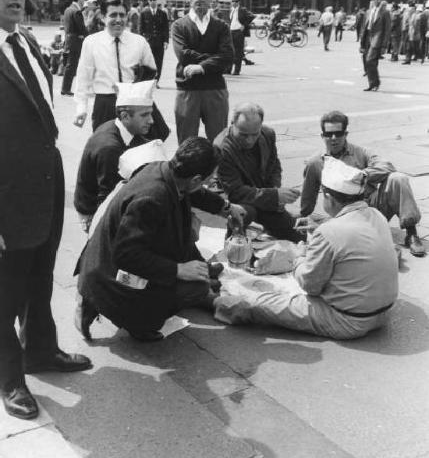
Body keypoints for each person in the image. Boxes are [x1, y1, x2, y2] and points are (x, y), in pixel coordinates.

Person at [0, 0, 91, 421]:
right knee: (6, 289)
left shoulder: (27, 43)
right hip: (6, 193)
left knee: (40, 274)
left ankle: (39, 348)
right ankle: (10, 377)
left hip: (46, 178)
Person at [75, 137, 246, 342]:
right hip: (112, 276)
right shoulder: (151, 198)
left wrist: (226, 208)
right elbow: (126, 255)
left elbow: (197, 193)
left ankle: (185, 281)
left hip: (119, 258)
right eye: (209, 180)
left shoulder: (166, 170)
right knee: (196, 288)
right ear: (195, 179)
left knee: (192, 258)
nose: (209, 185)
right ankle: (134, 320)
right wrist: (178, 270)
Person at [215, 156, 399, 341]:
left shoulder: (330, 232)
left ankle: (212, 301)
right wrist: (322, 227)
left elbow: (310, 285)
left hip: (348, 320)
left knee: (259, 301)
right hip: (383, 314)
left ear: (329, 197)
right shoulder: (376, 215)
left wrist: (298, 258)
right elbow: (351, 232)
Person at [298, 111, 425, 257]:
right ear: (322, 136)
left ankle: (411, 233)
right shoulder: (316, 162)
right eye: (328, 134)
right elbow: (308, 194)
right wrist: (303, 218)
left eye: (338, 134)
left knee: (398, 178)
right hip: (344, 215)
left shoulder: (360, 152)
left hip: (371, 208)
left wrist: (363, 175)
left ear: (346, 134)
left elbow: (387, 166)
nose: (333, 138)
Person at [214, 103, 303, 242]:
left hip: (264, 196)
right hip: (240, 201)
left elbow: (274, 166)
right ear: (232, 124)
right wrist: (274, 195)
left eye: (254, 134)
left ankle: (269, 229)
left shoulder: (268, 134)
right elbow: (235, 192)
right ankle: (233, 242)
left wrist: (275, 190)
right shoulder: (222, 148)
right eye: (243, 135)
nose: (249, 140)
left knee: (298, 237)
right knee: (243, 214)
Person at [74, 80, 155, 232]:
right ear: (125, 116)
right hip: (96, 212)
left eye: (150, 114)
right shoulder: (110, 149)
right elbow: (107, 201)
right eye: (145, 115)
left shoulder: (123, 127)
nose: (151, 120)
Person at [73, 0, 160, 134]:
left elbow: (152, 71)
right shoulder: (91, 42)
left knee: (137, 149)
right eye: (113, 15)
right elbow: (84, 76)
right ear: (102, 17)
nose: (118, 20)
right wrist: (81, 107)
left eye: (122, 15)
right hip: (105, 104)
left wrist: (137, 88)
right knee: (105, 147)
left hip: (134, 104)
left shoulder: (139, 42)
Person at [171, 0, 233, 144]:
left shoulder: (221, 26)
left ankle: (218, 171)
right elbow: (183, 54)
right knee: (186, 142)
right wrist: (214, 60)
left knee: (220, 141)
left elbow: (228, 57)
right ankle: (189, 172)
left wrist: (201, 67)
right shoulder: (179, 26)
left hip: (215, 90)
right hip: (187, 90)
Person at [360, 0, 391, 90]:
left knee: (370, 60)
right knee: (367, 61)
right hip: (367, 38)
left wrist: (384, 46)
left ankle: (375, 83)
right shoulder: (368, 12)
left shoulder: (385, 12)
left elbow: (387, 30)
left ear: (381, 0)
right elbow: (364, 27)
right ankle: (372, 84)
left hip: (377, 39)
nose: (376, 1)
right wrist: (361, 43)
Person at [139, 0, 169, 86]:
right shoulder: (144, 13)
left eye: (154, 0)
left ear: (157, 0)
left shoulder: (163, 13)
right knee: (148, 62)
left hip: (159, 42)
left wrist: (166, 41)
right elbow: (141, 28)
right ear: (148, 1)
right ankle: (148, 80)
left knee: (159, 62)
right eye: (150, 0)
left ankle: (156, 80)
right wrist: (141, 41)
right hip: (148, 42)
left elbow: (166, 28)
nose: (152, 2)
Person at [61, 0, 87, 96]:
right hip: (76, 41)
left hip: (69, 39)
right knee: (72, 65)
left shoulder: (67, 10)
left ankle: (65, 88)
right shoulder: (76, 11)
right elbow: (81, 28)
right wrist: (88, 35)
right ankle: (65, 89)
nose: (83, 1)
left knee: (70, 65)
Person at [227, 0, 254, 76]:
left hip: (239, 32)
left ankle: (236, 70)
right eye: (233, 1)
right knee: (230, 51)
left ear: (239, 2)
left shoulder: (242, 9)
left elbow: (251, 16)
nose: (234, 3)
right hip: (231, 32)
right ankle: (228, 69)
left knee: (238, 52)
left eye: (236, 1)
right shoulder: (231, 10)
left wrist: (244, 25)